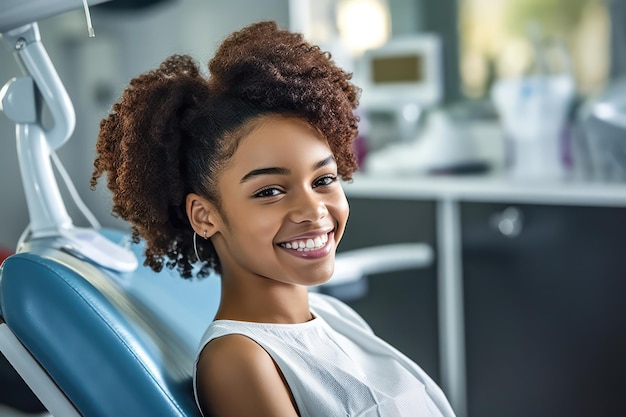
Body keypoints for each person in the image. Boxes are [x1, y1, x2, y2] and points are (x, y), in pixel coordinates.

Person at [92, 20, 456, 417]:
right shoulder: (241, 360)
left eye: (324, 179)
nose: (314, 210)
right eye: (269, 191)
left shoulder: (334, 314)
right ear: (204, 215)